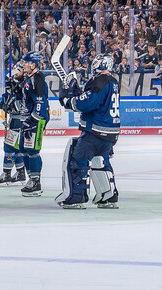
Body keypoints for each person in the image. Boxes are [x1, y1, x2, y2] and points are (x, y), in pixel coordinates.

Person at [56, 54, 120, 209]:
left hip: (95, 132)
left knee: (77, 162)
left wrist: (67, 99)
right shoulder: (112, 81)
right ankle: (108, 195)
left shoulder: (100, 82)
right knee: (100, 162)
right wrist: (79, 92)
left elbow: (87, 103)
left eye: (96, 62)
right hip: (110, 134)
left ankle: (76, 197)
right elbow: (92, 99)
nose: (94, 65)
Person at [19, 51, 49, 197]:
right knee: (22, 147)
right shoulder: (28, 77)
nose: (23, 64)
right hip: (28, 118)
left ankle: (36, 182)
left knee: (32, 150)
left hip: (37, 118)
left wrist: (33, 120)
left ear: (33, 64)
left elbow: (40, 102)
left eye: (26, 62)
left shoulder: (37, 78)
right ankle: (32, 178)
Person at [0, 61, 27, 185]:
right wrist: (6, 100)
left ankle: (7, 174)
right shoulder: (16, 84)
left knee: (9, 146)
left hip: (19, 120)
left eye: (18, 70)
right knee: (17, 147)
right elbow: (9, 104)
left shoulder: (25, 84)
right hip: (16, 119)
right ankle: (20, 172)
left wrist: (11, 99)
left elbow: (21, 104)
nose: (15, 72)